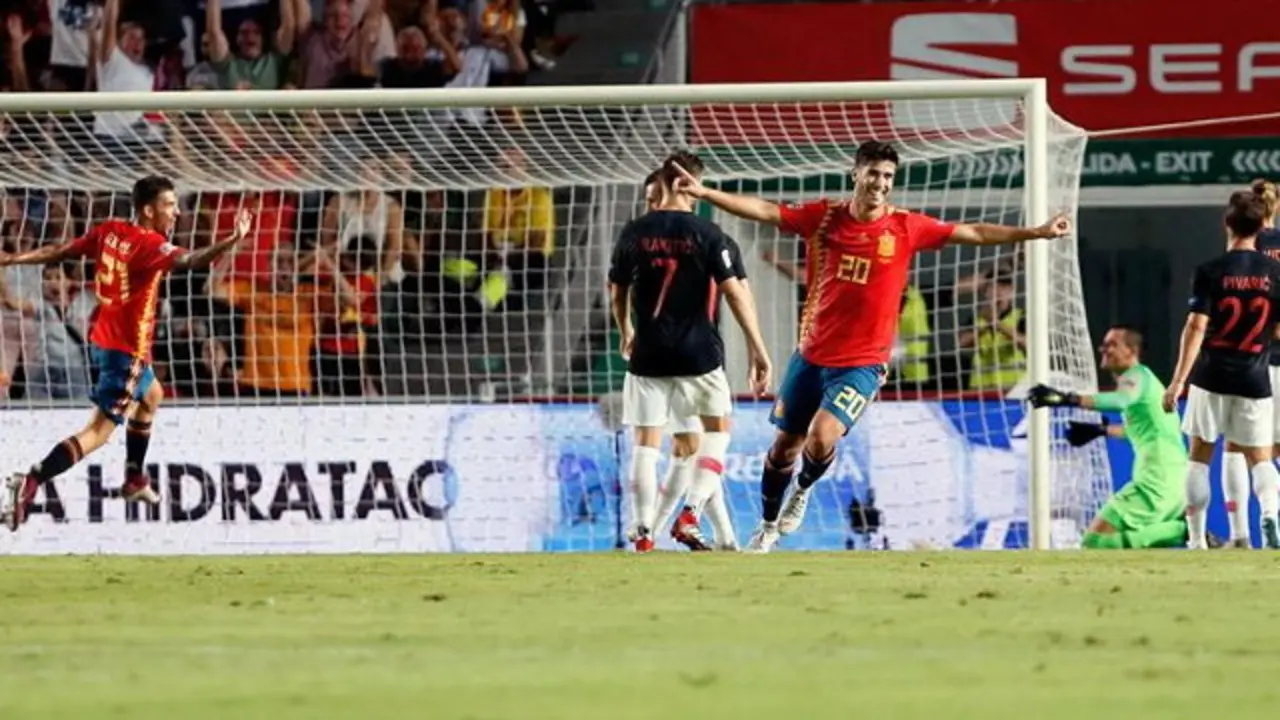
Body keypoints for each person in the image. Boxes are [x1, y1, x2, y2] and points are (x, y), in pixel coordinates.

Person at [670, 140, 1071, 553]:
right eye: (874, 174)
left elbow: (972, 232)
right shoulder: (823, 218)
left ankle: (803, 490)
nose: (880, 183)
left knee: (822, 438)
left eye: (888, 177)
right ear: (856, 174)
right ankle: (768, 524)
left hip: (862, 364)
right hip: (811, 355)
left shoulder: (904, 226)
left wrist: (1035, 232)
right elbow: (767, 210)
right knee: (781, 450)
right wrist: (706, 194)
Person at [0, 175, 252, 532]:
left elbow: (59, 251)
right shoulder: (152, 245)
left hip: (104, 339)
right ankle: (32, 480)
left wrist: (12, 259)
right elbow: (194, 260)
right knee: (98, 432)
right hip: (126, 351)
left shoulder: (110, 231)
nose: (177, 212)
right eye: (169, 205)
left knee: (152, 394)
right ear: (148, 210)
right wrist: (232, 239)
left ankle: (135, 479)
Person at [609, 151, 771, 552]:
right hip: (698, 356)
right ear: (692, 187)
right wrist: (757, 347)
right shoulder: (710, 235)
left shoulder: (633, 232)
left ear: (663, 184)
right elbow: (735, 292)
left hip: (648, 356)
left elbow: (616, 289)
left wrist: (625, 329)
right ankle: (690, 513)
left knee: (647, 446)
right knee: (716, 434)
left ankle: (645, 531)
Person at [1164, 190, 1280, 550]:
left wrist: (1178, 382)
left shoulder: (1210, 271)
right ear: (1262, 226)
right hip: (1255, 376)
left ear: (1227, 223)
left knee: (1200, 455)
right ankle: (1271, 518)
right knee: (1260, 456)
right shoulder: (1276, 273)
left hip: (1211, 376)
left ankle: (1197, 540)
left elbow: (1196, 327)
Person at [635, 170, 737, 552]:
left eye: (653, 197)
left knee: (691, 450)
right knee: (697, 447)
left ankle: (666, 532)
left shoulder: (700, 242)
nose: (650, 206)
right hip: (670, 361)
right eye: (647, 199)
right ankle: (659, 530)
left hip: (692, 356)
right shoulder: (653, 244)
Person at [1027, 326, 1189, 548]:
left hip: (1156, 479)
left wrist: (1068, 399)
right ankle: (1178, 530)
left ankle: (1180, 532)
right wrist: (1101, 431)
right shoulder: (1147, 384)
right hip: (1175, 479)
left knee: (1094, 542)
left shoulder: (1135, 376)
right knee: (1119, 551)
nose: (1104, 349)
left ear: (1132, 350)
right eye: (1104, 344)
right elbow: (1140, 430)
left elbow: (1120, 400)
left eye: (1113, 344)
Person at [1220, 179, 1280, 546]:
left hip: (1249, 363)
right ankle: (1272, 513)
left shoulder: (1243, 250)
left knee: (1237, 447)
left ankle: (1241, 533)